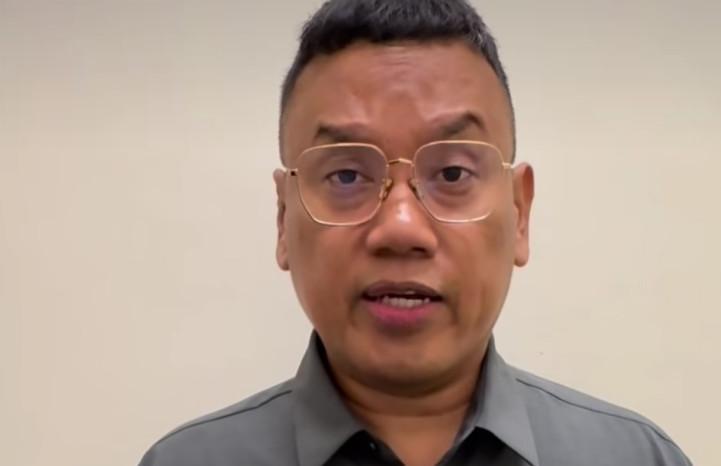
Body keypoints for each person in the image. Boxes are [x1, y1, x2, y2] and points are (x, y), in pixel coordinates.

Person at [139, 0, 692, 465]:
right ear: (285, 218)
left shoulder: (637, 457)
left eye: (452, 173)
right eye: (347, 175)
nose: (401, 228)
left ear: (519, 213)